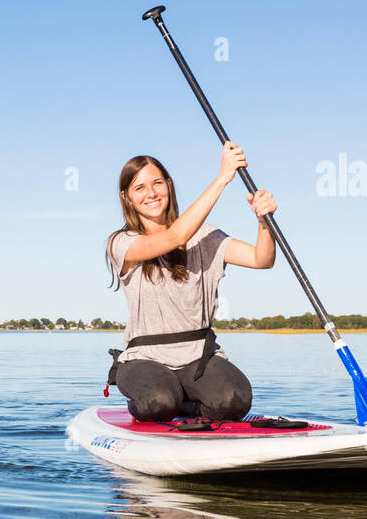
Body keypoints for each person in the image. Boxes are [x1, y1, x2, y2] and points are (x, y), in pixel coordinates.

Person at [105, 143, 277, 422]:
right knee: (158, 402)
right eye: (140, 188)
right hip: (145, 358)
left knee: (235, 399)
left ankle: (188, 405)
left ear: (169, 186)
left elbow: (262, 259)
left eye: (158, 183)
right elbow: (174, 238)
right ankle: (161, 403)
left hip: (199, 357)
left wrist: (264, 222)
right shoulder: (122, 242)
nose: (151, 193)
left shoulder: (205, 237)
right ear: (127, 198)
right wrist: (222, 178)